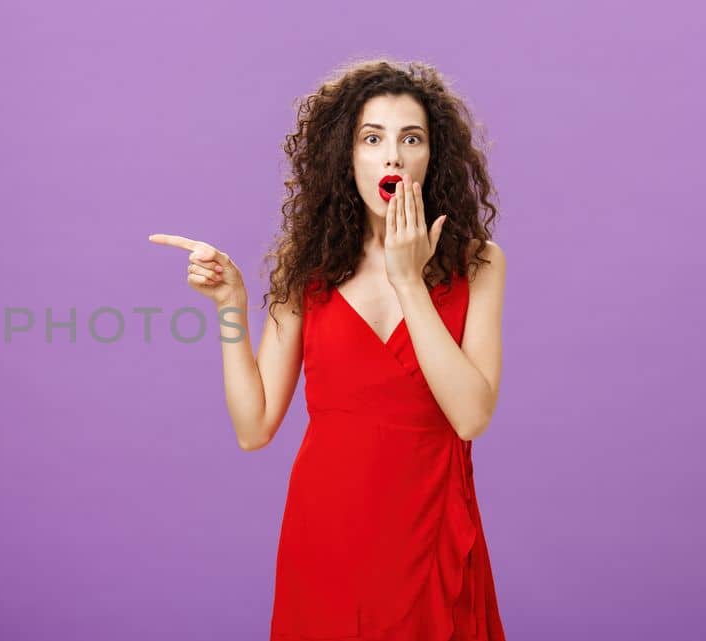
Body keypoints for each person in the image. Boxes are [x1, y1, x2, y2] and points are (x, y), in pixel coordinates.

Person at [148, 59, 507, 640]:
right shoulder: (307, 272)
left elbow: (470, 416)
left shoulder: (479, 263)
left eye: (410, 138)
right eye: (372, 138)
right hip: (328, 529)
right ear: (348, 156)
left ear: (430, 157)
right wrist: (230, 310)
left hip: (429, 528)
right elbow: (253, 426)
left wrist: (408, 281)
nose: (391, 155)